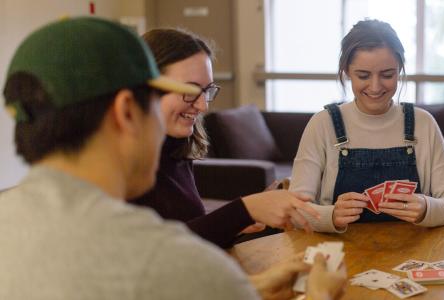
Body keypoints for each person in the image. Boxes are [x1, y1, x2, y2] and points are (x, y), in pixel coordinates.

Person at [0, 17, 345, 299]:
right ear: (126, 112)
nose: (202, 107)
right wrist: (321, 296)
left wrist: (251, 287)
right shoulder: (167, 260)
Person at [129, 28, 320, 249]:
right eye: (190, 90)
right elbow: (155, 250)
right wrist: (245, 210)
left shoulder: (176, 147)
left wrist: (237, 222)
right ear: (146, 87)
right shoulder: (121, 168)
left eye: (207, 90)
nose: (203, 106)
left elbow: (186, 232)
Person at [290, 19, 444, 232]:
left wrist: (426, 208)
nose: (375, 87)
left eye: (387, 75)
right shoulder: (322, 124)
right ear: (346, 71)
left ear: (400, 69)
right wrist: (332, 216)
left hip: (413, 255)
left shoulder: (423, 123)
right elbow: (296, 211)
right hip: (339, 258)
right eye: (363, 75)